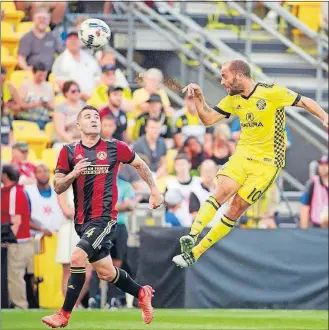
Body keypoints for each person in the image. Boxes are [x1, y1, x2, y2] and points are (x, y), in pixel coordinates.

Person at [172, 59, 328, 268]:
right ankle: (192, 235)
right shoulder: (233, 99)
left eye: (224, 76)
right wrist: (199, 98)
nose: (222, 81)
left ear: (239, 74)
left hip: (268, 163)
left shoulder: (271, 92)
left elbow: (305, 101)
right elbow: (208, 119)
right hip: (243, 155)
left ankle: (197, 252)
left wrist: (324, 116)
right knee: (222, 190)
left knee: (235, 208)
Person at [41, 105, 163, 328]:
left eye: (96, 116)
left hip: (104, 219)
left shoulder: (115, 147)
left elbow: (140, 164)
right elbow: (58, 187)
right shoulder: (68, 151)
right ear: (78, 125)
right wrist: (73, 173)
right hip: (81, 221)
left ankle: (64, 314)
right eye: (88, 116)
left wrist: (154, 190)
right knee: (106, 272)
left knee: (77, 257)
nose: (94, 119)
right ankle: (141, 292)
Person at [1, 164, 33, 309]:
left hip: (17, 243)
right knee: (14, 276)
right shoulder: (11, 191)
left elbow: (16, 221)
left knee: (15, 277)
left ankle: (21, 307)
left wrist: (6, 239)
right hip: (17, 242)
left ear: (6, 176)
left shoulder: (14, 192)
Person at [52, 31, 101, 101]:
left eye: (76, 39)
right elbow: (60, 83)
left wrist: (92, 96)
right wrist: (80, 94)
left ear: (81, 42)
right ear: (66, 42)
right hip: (71, 98)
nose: (73, 42)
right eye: (70, 39)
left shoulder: (90, 59)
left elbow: (98, 78)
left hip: (92, 98)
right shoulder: (60, 61)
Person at [17, 8, 63, 72]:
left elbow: (63, 54)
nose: (42, 20)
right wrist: (26, 68)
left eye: (44, 18)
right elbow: (21, 58)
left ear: (49, 21)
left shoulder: (53, 37)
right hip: (33, 73)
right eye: (39, 18)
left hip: (51, 72)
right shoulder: (26, 38)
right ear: (34, 20)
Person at [25, 164, 62, 236]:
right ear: (35, 175)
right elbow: (24, 219)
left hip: (57, 235)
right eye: (39, 172)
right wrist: (41, 230)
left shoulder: (58, 190)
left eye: (45, 171)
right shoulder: (28, 192)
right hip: (37, 236)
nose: (43, 174)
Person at [165, 154, 201, 227]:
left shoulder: (199, 182)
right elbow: (167, 208)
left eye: (183, 164)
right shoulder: (170, 185)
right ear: (175, 167)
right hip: (176, 225)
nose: (181, 167)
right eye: (178, 165)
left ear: (189, 165)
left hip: (196, 223)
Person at [17, 61, 54, 130]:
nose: (42, 78)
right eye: (40, 75)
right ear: (34, 73)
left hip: (44, 118)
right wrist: (35, 104)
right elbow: (19, 105)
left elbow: (53, 107)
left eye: (44, 75)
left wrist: (46, 104)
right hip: (28, 118)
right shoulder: (26, 85)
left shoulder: (49, 86)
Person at [300, 154, 328, 229]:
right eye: (321, 164)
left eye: (326, 164)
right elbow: (304, 207)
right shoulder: (312, 183)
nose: (323, 167)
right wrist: (304, 229)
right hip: (317, 227)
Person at [53, 81, 85, 145]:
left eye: (78, 90)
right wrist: (74, 143)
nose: (76, 93)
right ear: (66, 93)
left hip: (83, 141)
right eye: (73, 91)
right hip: (65, 142)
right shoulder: (60, 108)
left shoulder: (85, 107)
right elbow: (61, 132)